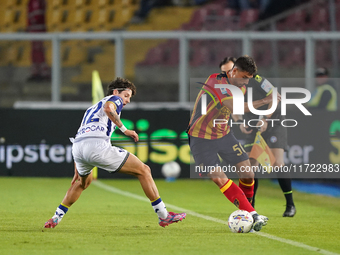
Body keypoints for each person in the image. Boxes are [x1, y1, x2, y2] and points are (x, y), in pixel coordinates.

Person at [44, 77, 186, 228]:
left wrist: (77, 167)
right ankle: (163, 215)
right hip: (97, 146)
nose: (127, 101)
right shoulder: (114, 99)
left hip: (78, 148)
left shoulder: (91, 108)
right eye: (126, 95)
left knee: (82, 183)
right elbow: (108, 108)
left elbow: (82, 135)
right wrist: (125, 130)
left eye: (129, 98)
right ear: (116, 92)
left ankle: (56, 217)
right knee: (144, 170)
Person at [187, 56, 272, 232]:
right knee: (219, 178)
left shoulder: (239, 87)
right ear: (233, 71)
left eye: (249, 79)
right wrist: (265, 101)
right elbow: (235, 108)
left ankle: (248, 211)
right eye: (244, 77)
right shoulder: (216, 82)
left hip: (224, 135)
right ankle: (253, 215)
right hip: (201, 137)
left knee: (248, 174)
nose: (246, 82)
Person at [220, 57, 296, 217]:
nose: (226, 74)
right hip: (254, 126)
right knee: (250, 168)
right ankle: (250, 208)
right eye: (223, 71)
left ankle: (290, 205)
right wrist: (240, 121)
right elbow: (233, 107)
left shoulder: (257, 80)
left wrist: (266, 119)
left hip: (274, 123)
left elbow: (276, 96)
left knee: (277, 163)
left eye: (228, 70)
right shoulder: (228, 86)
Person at [27, 0, 50, 82]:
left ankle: (42, 73)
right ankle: (38, 72)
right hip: (37, 29)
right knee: (36, 52)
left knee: (38, 52)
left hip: (36, 30)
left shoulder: (35, 1)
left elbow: (37, 15)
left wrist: (32, 24)